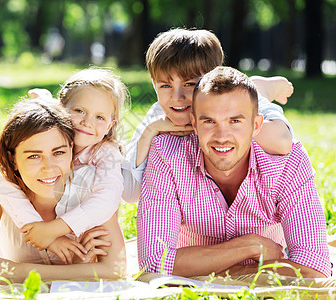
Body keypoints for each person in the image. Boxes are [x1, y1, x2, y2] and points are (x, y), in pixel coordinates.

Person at [137, 66, 331, 278]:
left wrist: (212, 272)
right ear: (194, 123)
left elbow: (315, 268)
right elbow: (154, 263)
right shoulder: (167, 154)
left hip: (194, 271)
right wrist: (250, 246)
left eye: (235, 121)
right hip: (268, 269)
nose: (222, 136)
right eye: (209, 121)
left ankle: (262, 90)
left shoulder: (288, 162)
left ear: (256, 125)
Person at [121, 28, 294, 203]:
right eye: (165, 86)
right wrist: (150, 131)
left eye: (189, 84)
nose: (176, 97)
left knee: (251, 94)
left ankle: (259, 87)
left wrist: (235, 122)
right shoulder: (159, 114)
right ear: (154, 84)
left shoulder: (240, 102)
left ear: (213, 80)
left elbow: (282, 143)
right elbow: (130, 193)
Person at [0, 98, 126, 282]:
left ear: (71, 150)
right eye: (34, 156)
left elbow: (115, 271)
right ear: (13, 159)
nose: (48, 168)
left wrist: (21, 272)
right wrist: (80, 271)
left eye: (58, 153)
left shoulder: (92, 186)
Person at [0, 68, 129, 262]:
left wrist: (55, 229)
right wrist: (39, 230)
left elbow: (106, 199)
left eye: (100, 117)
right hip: (36, 231)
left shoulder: (106, 152)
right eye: (79, 111)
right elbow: (5, 180)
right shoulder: (47, 137)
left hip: (83, 229)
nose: (87, 122)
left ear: (110, 125)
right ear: (61, 109)